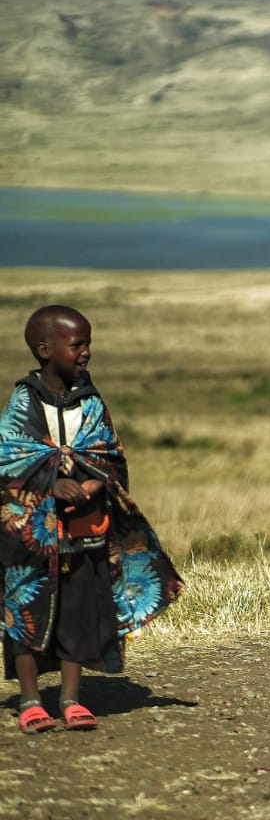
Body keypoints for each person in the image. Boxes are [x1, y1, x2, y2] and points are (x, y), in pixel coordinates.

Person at [1, 305, 183, 733]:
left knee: (79, 609)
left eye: (88, 344)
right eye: (77, 344)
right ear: (45, 350)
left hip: (84, 527)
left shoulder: (91, 401)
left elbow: (109, 457)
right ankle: (30, 700)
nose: (86, 353)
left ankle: (70, 699)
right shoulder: (22, 401)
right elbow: (9, 461)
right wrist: (49, 486)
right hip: (29, 533)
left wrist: (94, 485)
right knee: (24, 610)